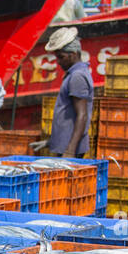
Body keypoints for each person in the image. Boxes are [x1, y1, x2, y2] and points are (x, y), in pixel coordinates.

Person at [45, 27, 94, 158]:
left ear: (72, 54)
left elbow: (82, 115)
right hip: (64, 145)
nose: (58, 62)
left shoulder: (77, 77)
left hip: (70, 149)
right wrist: (50, 141)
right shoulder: (73, 74)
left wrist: (70, 150)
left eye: (61, 57)